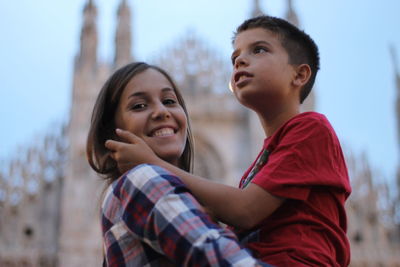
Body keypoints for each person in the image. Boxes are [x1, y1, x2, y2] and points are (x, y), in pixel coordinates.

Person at [106, 16, 352, 266]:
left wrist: (154, 165)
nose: (241, 61)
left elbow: (246, 210)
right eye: (234, 59)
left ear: (299, 74)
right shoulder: (263, 161)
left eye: (259, 50)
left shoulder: (311, 129)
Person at [87, 62, 268, 266]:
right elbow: (219, 259)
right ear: (112, 131)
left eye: (170, 100)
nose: (161, 111)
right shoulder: (142, 178)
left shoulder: (127, 191)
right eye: (139, 106)